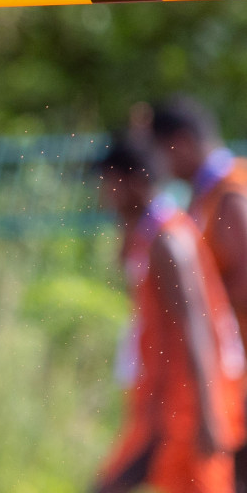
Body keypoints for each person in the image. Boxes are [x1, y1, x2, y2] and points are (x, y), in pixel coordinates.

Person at [93, 132, 245, 493]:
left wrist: (209, 416)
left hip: (188, 405)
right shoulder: (149, 234)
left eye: (109, 182)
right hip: (164, 405)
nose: (102, 193)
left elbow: (197, 325)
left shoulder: (169, 242)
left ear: (132, 182)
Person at [151, 97, 247, 491]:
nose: (160, 167)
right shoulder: (205, 196)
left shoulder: (231, 195)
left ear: (182, 143)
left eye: (160, 154)